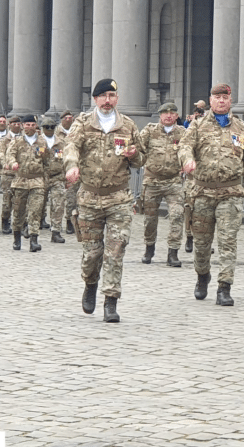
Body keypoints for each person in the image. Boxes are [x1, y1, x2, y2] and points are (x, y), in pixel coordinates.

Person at [63, 78, 146, 323]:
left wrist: (134, 154)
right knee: (92, 253)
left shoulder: (127, 125)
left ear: (117, 99)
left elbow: (141, 158)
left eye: (111, 96)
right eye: (103, 97)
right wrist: (71, 166)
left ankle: (111, 300)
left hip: (119, 197)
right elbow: (71, 147)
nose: (107, 101)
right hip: (89, 197)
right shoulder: (83, 123)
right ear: (95, 99)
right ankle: (90, 283)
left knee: (116, 249)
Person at [178, 83, 244, 306]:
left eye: (225, 97)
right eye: (217, 97)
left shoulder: (241, 128)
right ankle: (202, 275)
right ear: (210, 101)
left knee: (228, 241)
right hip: (202, 193)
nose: (221, 101)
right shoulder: (198, 125)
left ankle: (224, 287)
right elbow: (184, 146)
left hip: (230, 193)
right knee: (202, 243)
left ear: (230, 101)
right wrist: (187, 160)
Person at [138, 102, 186, 267]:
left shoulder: (183, 133)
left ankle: (173, 252)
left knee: (177, 215)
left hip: (173, 181)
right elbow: (138, 148)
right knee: (150, 219)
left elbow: (190, 150)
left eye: (172, 113)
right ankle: (149, 247)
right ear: (160, 115)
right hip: (152, 181)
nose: (168, 116)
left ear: (176, 116)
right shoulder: (150, 131)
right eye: (165, 113)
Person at [5, 115, 47, 251]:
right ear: (23, 126)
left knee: (36, 211)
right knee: (18, 211)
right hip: (20, 181)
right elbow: (9, 155)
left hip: (37, 181)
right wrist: (13, 163)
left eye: (32, 125)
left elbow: (47, 160)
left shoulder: (42, 142)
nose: (30, 127)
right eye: (27, 125)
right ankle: (17, 238)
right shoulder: (16, 141)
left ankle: (34, 240)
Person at [40, 117, 67, 244]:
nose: (49, 130)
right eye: (47, 127)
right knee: (38, 204)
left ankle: (56, 231)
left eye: (52, 127)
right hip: (41, 176)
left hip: (57, 177)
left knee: (58, 205)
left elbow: (66, 159)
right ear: (43, 128)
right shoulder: (37, 142)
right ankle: (34, 226)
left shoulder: (61, 143)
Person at [58, 111, 79, 235]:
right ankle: (69, 222)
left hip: (84, 171)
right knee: (71, 198)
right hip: (69, 170)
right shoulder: (59, 134)